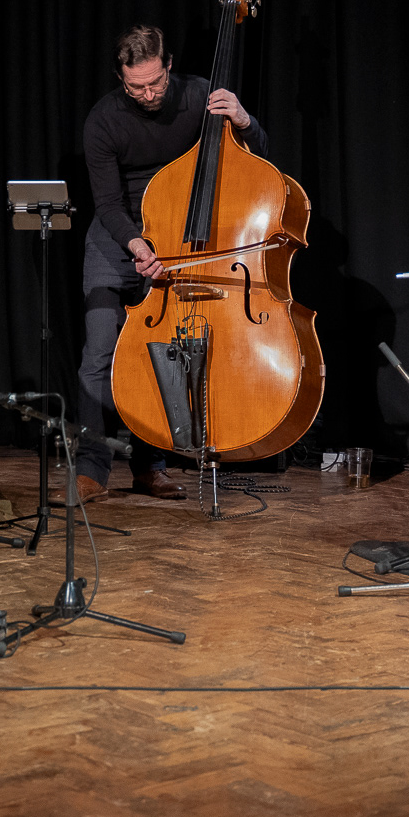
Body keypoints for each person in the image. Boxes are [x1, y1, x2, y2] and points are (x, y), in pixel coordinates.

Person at [75, 25, 266, 502]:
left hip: (181, 238)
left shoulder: (201, 96)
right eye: (134, 86)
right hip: (118, 237)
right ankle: (91, 470)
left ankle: (150, 468)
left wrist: (244, 120)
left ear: (169, 64)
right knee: (99, 351)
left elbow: (257, 161)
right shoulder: (103, 120)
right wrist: (137, 245)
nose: (146, 94)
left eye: (154, 83)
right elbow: (108, 204)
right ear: (121, 79)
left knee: (158, 351)